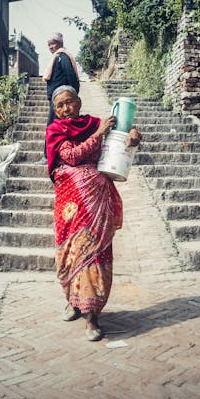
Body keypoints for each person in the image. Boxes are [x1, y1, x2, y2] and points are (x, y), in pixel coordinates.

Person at [45, 85, 142, 341]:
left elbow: (124, 132)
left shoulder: (93, 123)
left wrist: (133, 134)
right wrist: (99, 134)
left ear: (79, 102)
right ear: (55, 110)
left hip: (97, 205)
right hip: (70, 209)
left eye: (70, 102)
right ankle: (74, 303)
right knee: (71, 256)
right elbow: (72, 156)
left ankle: (92, 317)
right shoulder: (56, 130)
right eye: (60, 106)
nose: (66, 109)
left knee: (95, 256)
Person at [36, 32, 80, 164]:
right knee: (56, 128)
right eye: (48, 45)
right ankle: (56, 156)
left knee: (52, 128)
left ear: (60, 44)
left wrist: (71, 96)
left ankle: (48, 157)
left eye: (52, 44)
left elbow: (71, 77)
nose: (50, 47)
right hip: (57, 100)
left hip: (60, 101)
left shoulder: (63, 57)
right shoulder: (57, 57)